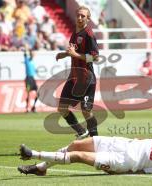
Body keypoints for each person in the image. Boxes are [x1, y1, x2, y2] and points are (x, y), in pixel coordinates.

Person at [17, 134, 152, 176]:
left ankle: (33, 154)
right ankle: (41, 169)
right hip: (123, 143)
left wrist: (118, 170)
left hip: (123, 161)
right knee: (76, 144)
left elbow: (142, 172)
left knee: (78, 155)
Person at [55, 6, 99, 139]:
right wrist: (64, 54)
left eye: (83, 16)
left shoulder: (89, 34)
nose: (80, 18)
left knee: (86, 111)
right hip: (73, 77)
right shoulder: (74, 33)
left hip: (86, 79)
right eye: (78, 15)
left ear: (88, 18)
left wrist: (75, 54)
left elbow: (95, 57)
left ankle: (95, 139)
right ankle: (81, 131)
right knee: (62, 108)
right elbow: (73, 52)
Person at [24, 48, 38, 112]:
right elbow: (25, 54)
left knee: (38, 93)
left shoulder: (32, 61)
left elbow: (34, 71)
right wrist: (26, 48)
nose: (33, 54)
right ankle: (27, 108)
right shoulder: (27, 59)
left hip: (32, 78)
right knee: (28, 93)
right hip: (28, 78)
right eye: (32, 53)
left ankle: (33, 107)